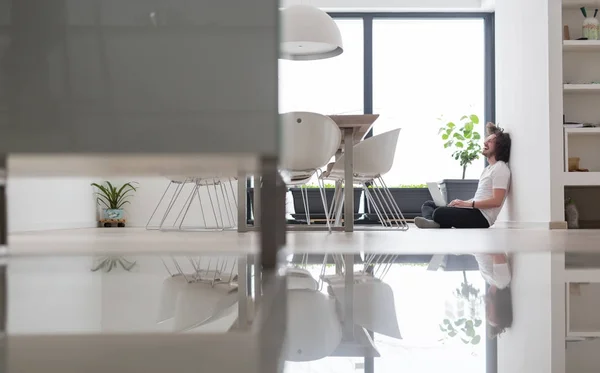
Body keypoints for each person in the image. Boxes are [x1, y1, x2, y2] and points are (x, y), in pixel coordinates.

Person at [415, 122, 512, 229]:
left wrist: (467, 204)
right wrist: (461, 203)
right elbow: (479, 198)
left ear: (499, 147)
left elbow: (496, 201)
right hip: (474, 210)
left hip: (482, 218)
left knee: (439, 213)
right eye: (486, 139)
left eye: (490, 141)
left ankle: (435, 221)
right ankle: (433, 222)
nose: (485, 143)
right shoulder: (488, 169)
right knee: (429, 204)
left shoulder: (501, 168)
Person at [474, 253, 513, 337]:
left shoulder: (490, 281)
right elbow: (498, 254)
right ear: (499, 308)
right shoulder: (502, 281)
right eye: (489, 315)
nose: (486, 311)